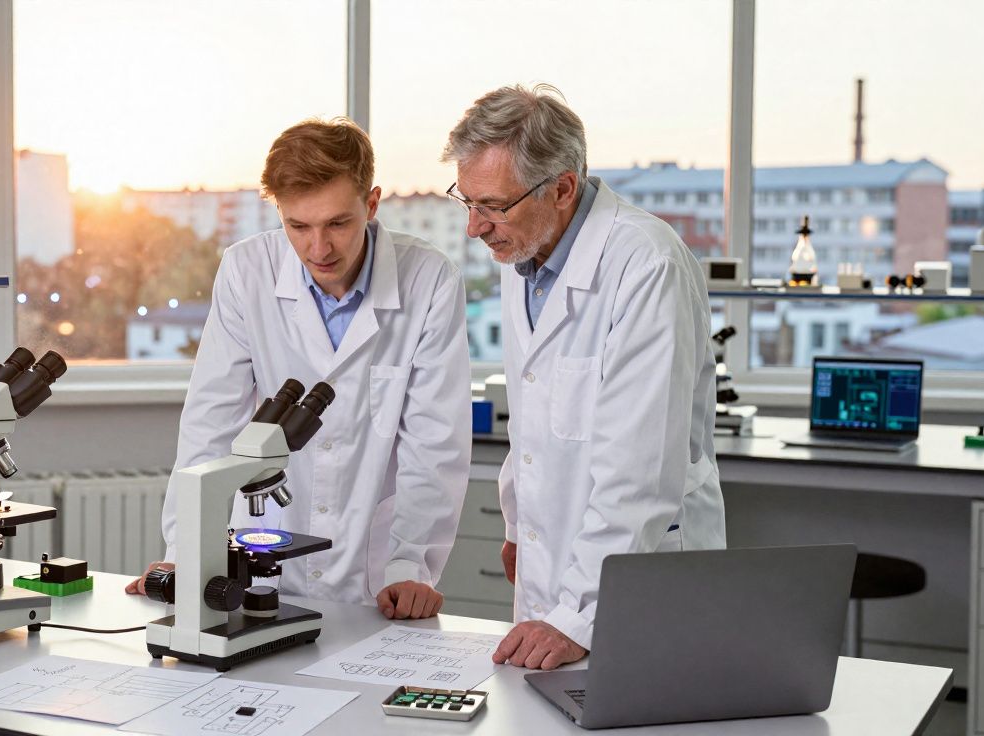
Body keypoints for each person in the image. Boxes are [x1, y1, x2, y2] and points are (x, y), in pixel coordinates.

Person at [127, 118, 471, 620]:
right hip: (261, 554)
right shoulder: (247, 271)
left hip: (376, 575)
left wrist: (409, 564)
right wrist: (186, 553)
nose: (318, 249)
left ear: (372, 204)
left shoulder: (431, 279)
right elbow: (210, 424)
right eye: (298, 226)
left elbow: (434, 444)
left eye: (338, 223)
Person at [440, 85, 726, 669]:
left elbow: (639, 471)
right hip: (554, 568)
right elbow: (534, 416)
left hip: (636, 582)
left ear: (563, 188)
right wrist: (519, 525)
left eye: (492, 205)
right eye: (466, 202)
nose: (475, 227)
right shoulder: (525, 252)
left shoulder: (647, 264)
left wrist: (579, 615)